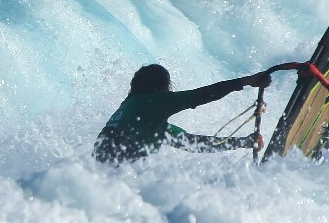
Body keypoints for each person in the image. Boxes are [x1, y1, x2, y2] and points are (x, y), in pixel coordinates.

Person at [93, 64, 271, 164]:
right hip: (117, 162)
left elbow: (193, 143)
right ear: (160, 88)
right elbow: (198, 96)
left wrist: (243, 142)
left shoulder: (135, 110)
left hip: (101, 169)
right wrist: (246, 81)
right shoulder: (151, 102)